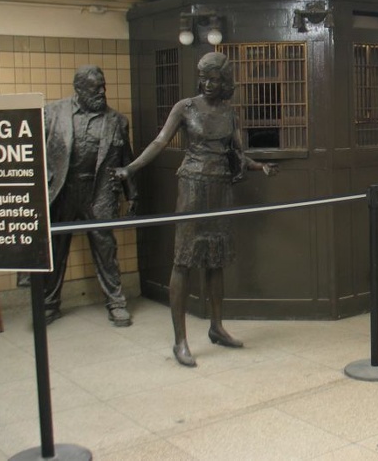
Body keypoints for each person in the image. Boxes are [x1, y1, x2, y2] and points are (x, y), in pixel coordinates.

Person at [112, 52, 277, 367]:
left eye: (215, 79)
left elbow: (238, 154)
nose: (208, 84)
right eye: (204, 78)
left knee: (216, 259)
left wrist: (259, 166)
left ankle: (216, 327)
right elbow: (160, 142)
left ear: (225, 81)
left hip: (221, 189)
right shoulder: (185, 108)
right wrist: (130, 169)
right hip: (192, 186)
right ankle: (180, 341)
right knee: (183, 260)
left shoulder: (230, 113)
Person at [42, 65, 138, 326]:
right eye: (96, 87)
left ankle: (116, 303)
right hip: (62, 190)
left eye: (103, 86)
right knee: (55, 248)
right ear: (79, 89)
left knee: (106, 248)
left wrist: (132, 195)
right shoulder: (52, 114)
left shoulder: (117, 121)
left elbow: (125, 161)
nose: (102, 91)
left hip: (99, 192)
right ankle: (48, 304)